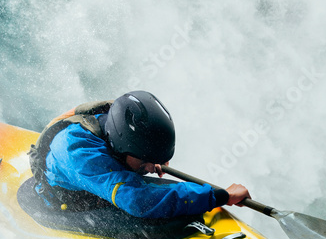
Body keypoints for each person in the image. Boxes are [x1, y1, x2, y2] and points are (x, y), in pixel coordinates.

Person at [28, 91, 250, 219]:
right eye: (147, 160)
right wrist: (220, 196)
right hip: (65, 207)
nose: (156, 166)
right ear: (121, 146)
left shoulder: (117, 121)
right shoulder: (79, 154)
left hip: (94, 178)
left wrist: (150, 161)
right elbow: (138, 201)